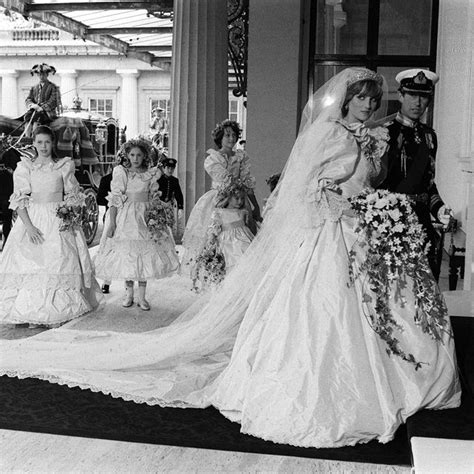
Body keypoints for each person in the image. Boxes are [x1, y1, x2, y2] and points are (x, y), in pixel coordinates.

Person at [0, 69, 460, 449]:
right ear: (345, 99)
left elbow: (362, 180)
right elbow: (301, 187)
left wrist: (365, 203)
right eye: (360, 97)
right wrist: (332, 201)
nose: (366, 105)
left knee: (369, 309)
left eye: (371, 99)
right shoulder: (326, 132)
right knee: (324, 311)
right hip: (326, 233)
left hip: (356, 230)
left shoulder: (365, 135)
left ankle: (387, 375)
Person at [0, 125, 101, 327]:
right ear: (34, 144)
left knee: (58, 260)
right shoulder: (25, 167)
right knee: (33, 262)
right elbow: (19, 200)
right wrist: (28, 227)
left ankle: (54, 312)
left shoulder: (63, 165)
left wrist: (69, 215)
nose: (43, 146)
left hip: (58, 217)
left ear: (53, 143)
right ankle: (30, 312)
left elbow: (73, 195)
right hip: (35, 217)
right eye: (39, 142)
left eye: (47, 142)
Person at [377, 69, 452, 280]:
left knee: (425, 285)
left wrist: (440, 209)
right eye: (412, 95)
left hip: (421, 221)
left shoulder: (430, 137)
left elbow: (428, 185)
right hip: (391, 220)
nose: (418, 102)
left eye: (424, 97)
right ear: (400, 96)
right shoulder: (384, 132)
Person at [94, 138, 179, 311]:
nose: (135, 158)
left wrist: (158, 215)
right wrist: (111, 224)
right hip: (127, 217)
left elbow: (154, 196)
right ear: (127, 155)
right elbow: (115, 199)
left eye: (139, 155)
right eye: (132, 154)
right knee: (129, 254)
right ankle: (128, 294)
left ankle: (142, 297)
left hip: (145, 216)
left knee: (144, 255)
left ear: (145, 156)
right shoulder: (122, 173)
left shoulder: (151, 174)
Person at [181, 119, 261, 274]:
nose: (231, 139)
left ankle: (239, 273)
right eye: (227, 135)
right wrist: (237, 187)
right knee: (216, 235)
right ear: (220, 138)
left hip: (238, 199)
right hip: (220, 200)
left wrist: (254, 205)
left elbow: (247, 181)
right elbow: (226, 179)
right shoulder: (213, 158)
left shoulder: (241, 157)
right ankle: (215, 271)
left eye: (234, 135)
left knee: (243, 235)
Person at [192, 179, 254, 291]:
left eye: (242, 198)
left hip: (243, 239)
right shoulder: (219, 212)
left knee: (245, 263)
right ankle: (231, 289)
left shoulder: (243, 212)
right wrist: (210, 245)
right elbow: (213, 230)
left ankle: (242, 288)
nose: (240, 201)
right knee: (231, 265)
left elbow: (247, 226)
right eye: (236, 198)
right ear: (228, 198)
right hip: (228, 243)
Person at [23, 63, 62, 131]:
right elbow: (29, 99)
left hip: (48, 112)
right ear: (37, 75)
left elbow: (53, 100)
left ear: (47, 75)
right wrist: (32, 105)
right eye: (39, 75)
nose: (41, 76)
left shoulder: (53, 87)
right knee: (27, 117)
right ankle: (27, 137)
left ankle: (35, 137)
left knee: (36, 118)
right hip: (35, 110)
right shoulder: (34, 87)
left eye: (43, 74)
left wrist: (42, 108)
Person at [157, 158, 184, 243]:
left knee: (169, 225)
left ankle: (169, 245)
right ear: (164, 168)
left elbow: (178, 194)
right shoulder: (158, 179)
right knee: (159, 225)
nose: (170, 170)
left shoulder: (174, 181)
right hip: (158, 205)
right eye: (168, 168)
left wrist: (180, 207)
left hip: (168, 206)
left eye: (172, 168)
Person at [96, 171, 113, 293]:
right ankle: (106, 282)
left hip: (129, 219)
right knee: (108, 249)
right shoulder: (107, 179)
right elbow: (100, 199)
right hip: (111, 216)